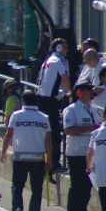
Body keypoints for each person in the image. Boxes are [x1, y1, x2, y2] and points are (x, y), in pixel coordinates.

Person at [1, 90, 52, 211]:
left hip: (20, 157)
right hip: (38, 158)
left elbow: (8, 134)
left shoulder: (16, 116)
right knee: (36, 189)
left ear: (23, 101)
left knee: (17, 186)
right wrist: (50, 160)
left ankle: (17, 208)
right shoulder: (43, 117)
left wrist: (3, 152)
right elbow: (48, 141)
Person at [62, 82, 100, 211]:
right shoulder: (71, 109)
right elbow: (69, 130)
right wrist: (90, 128)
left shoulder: (93, 109)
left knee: (87, 185)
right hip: (77, 152)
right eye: (88, 90)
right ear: (80, 93)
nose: (92, 93)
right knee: (77, 185)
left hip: (90, 153)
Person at [35, 38, 70, 172]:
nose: (67, 51)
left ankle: (46, 161)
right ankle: (54, 163)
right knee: (54, 134)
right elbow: (65, 79)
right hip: (49, 102)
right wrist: (70, 93)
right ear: (59, 48)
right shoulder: (58, 60)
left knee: (47, 132)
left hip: (43, 99)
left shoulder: (48, 60)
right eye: (65, 48)